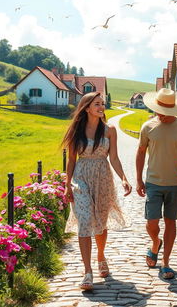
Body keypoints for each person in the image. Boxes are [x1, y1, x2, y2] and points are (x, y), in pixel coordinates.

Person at [62, 91, 132, 290]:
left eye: (103, 103)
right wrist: (67, 185)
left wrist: (124, 179)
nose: (101, 107)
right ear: (86, 108)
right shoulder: (76, 130)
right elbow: (72, 160)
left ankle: (101, 255)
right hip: (81, 178)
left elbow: (114, 158)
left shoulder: (110, 130)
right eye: (97, 104)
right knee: (84, 222)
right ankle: (87, 271)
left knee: (100, 223)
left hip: (103, 178)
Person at [136, 88, 177, 279]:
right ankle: (155, 243)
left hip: (175, 184)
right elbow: (140, 152)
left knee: (171, 222)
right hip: (153, 182)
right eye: (158, 110)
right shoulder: (148, 127)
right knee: (151, 223)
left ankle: (166, 263)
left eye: (164, 112)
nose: (160, 115)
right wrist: (138, 179)